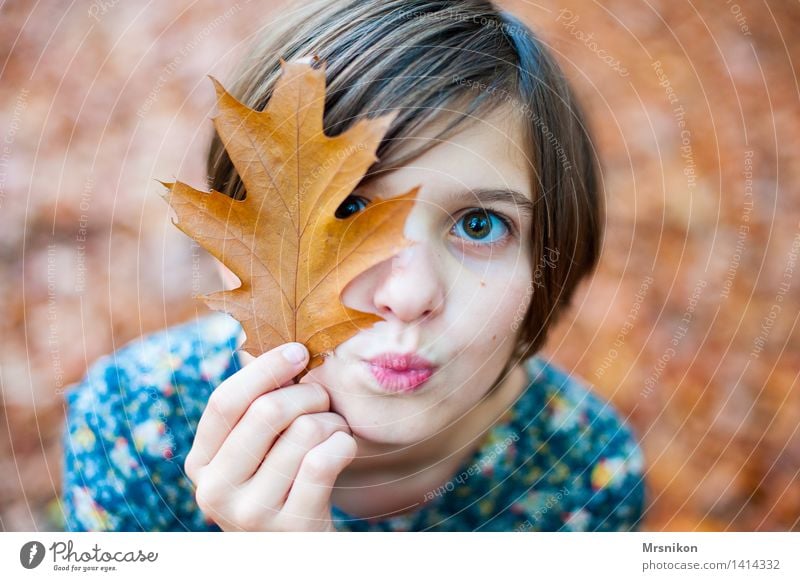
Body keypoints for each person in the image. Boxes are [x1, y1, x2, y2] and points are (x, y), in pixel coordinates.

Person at [60, 0, 646, 532]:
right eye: (347, 209)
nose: (409, 293)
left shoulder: (582, 469)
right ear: (233, 246)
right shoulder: (133, 425)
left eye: (479, 224)